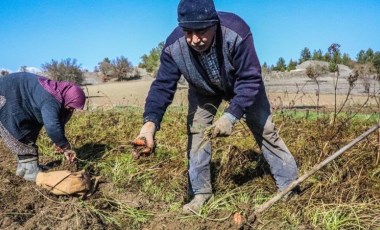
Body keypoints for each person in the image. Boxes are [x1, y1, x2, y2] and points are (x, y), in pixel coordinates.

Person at [133, 0, 299, 214]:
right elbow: (162, 86)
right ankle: (201, 193)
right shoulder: (174, 46)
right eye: (188, 32)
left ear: (214, 24)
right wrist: (149, 125)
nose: (194, 39)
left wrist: (231, 116)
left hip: (242, 85)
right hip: (202, 90)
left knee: (265, 129)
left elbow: (250, 78)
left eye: (201, 31)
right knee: (196, 132)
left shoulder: (236, 32)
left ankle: (289, 188)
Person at [0, 72, 85, 182]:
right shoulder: (50, 100)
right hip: (7, 98)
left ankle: (23, 170)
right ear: (68, 98)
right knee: (21, 135)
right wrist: (65, 146)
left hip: (18, 97)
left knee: (30, 131)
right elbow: (52, 126)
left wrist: (59, 141)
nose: (71, 110)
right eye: (71, 106)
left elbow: (58, 121)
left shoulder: (58, 93)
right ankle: (31, 174)